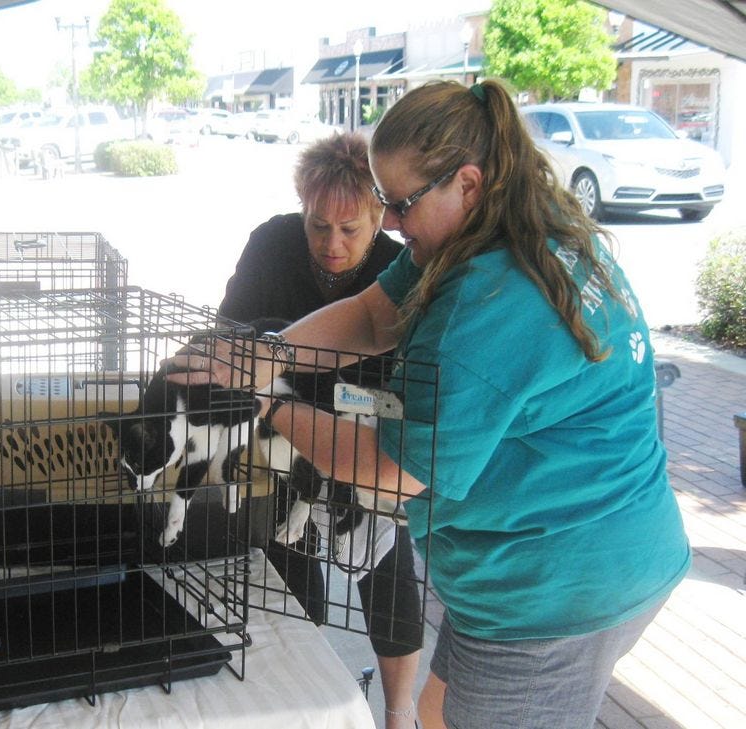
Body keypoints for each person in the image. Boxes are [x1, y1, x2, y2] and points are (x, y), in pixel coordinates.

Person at [167, 80, 691, 729]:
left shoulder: (493, 302)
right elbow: (373, 314)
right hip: (567, 561)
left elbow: (389, 469)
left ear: (467, 184)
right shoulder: (489, 234)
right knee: (438, 711)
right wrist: (269, 354)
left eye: (401, 204)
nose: (388, 221)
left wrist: (267, 402)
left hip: (557, 588)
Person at [217, 132, 424, 728]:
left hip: (367, 428)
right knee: (292, 551)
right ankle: (310, 695)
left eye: (350, 229)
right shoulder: (270, 242)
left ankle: (399, 711)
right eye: (318, 226)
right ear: (302, 210)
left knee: (386, 567)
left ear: (378, 215)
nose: (332, 243)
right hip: (277, 418)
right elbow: (230, 326)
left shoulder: (400, 268)